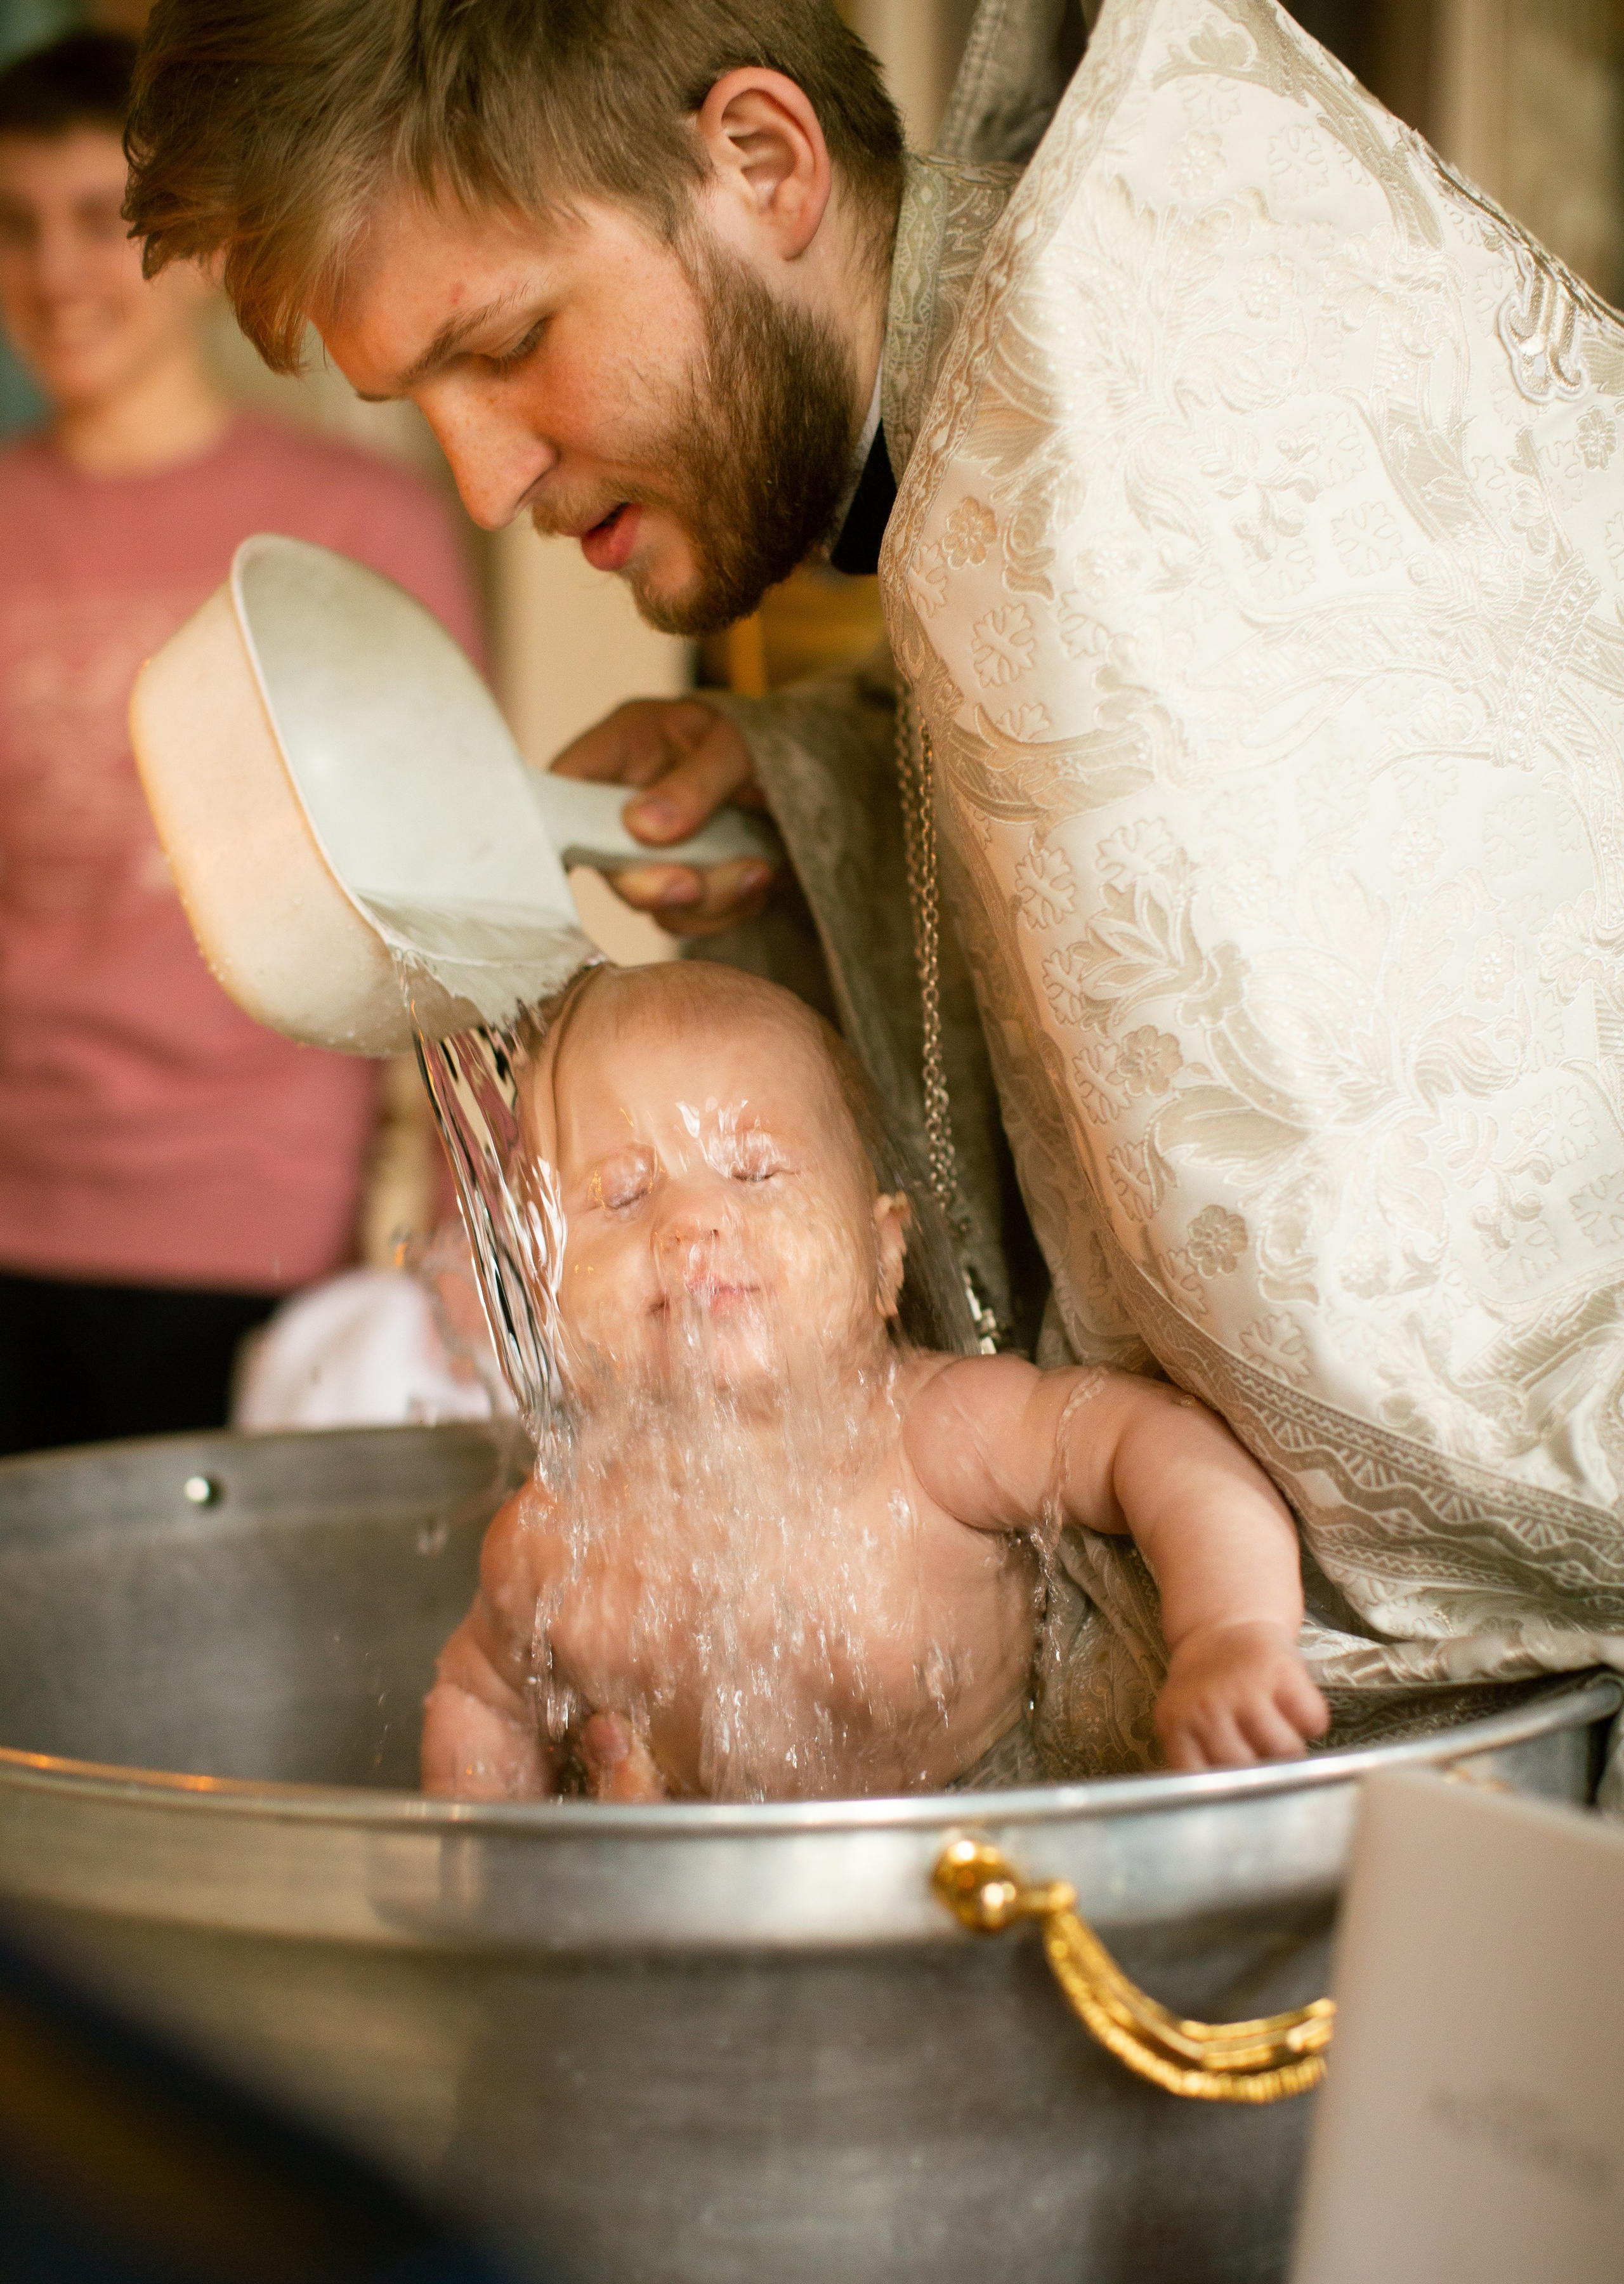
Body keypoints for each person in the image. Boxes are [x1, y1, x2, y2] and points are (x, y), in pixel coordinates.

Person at [125, 0, 1624, 1780]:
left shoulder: (1110, 485)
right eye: (419, 402)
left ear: (762, 161)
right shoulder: (997, 421)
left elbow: (1422, 1419)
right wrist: (812, 772)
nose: (483, 473)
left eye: (511, 341)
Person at [421, 962, 1327, 1801]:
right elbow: (483, 1695)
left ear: (883, 1254)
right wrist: (489, 1872)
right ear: (543, 1293)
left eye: (755, 1170)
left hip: (986, 1854)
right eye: (622, 1195)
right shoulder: (553, 1538)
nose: (693, 1221)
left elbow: (1159, 1444)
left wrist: (1228, 1636)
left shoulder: (940, 1431)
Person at [0, 30, 480, 1454]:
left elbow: (449, 896)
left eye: (102, 222)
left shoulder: (353, 524)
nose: (58, 273)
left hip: (252, 1222)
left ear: (197, 246)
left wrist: (469, 1233)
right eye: (16, 226)